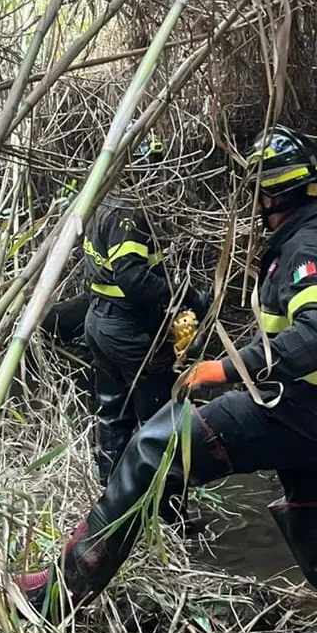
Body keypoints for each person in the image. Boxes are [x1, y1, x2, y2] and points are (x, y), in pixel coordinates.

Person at [17, 125, 317, 633]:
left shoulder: (308, 247)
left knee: (154, 446)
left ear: (269, 193)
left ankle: (57, 596)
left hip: (298, 409)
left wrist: (224, 370)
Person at [79, 134, 210, 485]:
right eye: (155, 168)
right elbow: (133, 279)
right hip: (128, 330)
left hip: (100, 323)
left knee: (113, 415)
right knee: (160, 421)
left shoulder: (104, 202)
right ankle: (164, 505)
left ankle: (111, 497)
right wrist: (188, 296)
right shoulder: (130, 212)